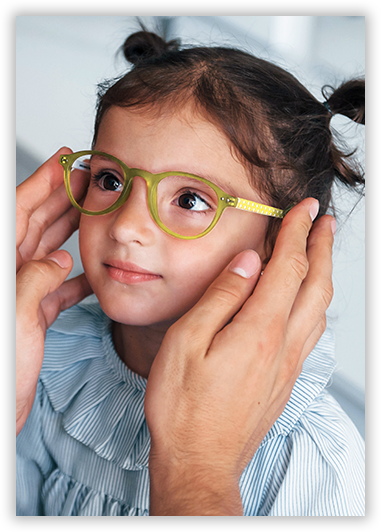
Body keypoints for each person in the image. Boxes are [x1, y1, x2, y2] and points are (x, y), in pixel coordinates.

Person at [16, 28, 365, 516]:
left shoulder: (312, 460)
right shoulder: (42, 358)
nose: (127, 227)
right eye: (111, 180)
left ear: (282, 243)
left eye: (191, 199)